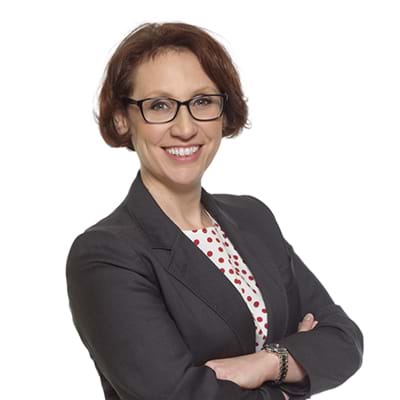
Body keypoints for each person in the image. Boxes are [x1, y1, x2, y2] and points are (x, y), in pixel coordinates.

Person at [66, 22, 363, 400]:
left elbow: (344, 340)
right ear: (123, 118)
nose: (185, 128)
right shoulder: (106, 255)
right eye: (159, 106)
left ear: (224, 112)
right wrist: (291, 384)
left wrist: (267, 363)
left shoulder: (253, 217)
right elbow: (176, 395)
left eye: (202, 101)